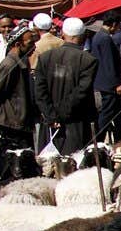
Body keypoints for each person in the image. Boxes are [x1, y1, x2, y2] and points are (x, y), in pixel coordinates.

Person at [33, 16, 99, 155]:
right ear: (83, 36)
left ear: (63, 34)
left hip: (51, 123)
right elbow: (80, 92)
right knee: (75, 162)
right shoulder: (88, 60)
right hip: (77, 122)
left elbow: (39, 91)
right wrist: (59, 115)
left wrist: (51, 115)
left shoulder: (45, 57)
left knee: (49, 162)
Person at [0, 23, 38, 148]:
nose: (34, 46)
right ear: (18, 44)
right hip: (13, 123)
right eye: (30, 43)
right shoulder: (9, 65)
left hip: (22, 121)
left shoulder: (22, 61)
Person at [86, 14, 121, 141]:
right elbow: (109, 63)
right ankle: (98, 140)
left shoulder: (99, 36)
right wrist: (116, 84)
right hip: (109, 86)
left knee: (117, 114)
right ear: (114, 24)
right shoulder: (105, 38)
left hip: (104, 83)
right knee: (106, 115)